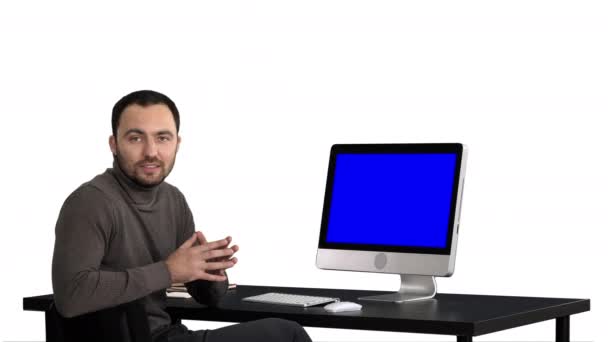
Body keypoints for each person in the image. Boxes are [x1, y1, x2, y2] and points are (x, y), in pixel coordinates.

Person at [51, 90, 312, 342]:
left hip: (168, 332)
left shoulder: (173, 200)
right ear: (114, 144)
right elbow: (71, 296)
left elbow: (206, 297)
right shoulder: (91, 202)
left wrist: (211, 272)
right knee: (286, 335)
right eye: (136, 138)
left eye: (162, 138)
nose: (151, 151)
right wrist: (168, 270)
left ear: (177, 143)